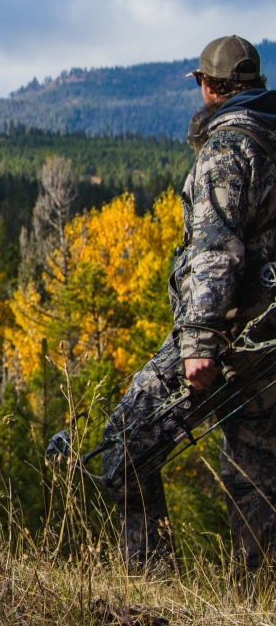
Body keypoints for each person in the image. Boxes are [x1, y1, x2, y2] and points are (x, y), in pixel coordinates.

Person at [102, 35, 276, 572]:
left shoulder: (227, 150)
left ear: (208, 86)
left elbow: (215, 251)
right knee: (258, 473)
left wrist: (199, 341)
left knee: (126, 442)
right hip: (268, 341)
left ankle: (149, 578)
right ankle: (261, 596)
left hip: (230, 338)